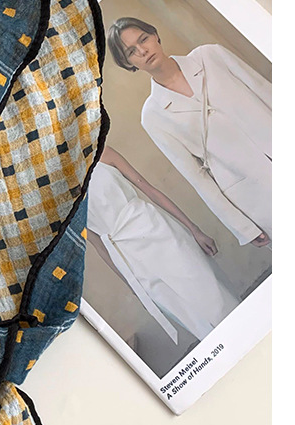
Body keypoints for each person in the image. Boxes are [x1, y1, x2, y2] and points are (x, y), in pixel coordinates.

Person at [106, 17, 271, 247]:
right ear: (128, 63)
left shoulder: (210, 55)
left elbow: (266, 92)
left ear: (155, 35)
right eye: (132, 52)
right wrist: (242, 227)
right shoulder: (153, 115)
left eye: (143, 39)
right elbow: (195, 176)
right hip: (257, 193)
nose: (143, 51)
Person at [86, 144, 239, 343]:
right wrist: (133, 286)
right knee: (187, 313)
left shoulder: (102, 152)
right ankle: (227, 350)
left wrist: (194, 230)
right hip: (129, 258)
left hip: (157, 230)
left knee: (210, 290)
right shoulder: (62, 202)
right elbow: (98, 245)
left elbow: (150, 190)